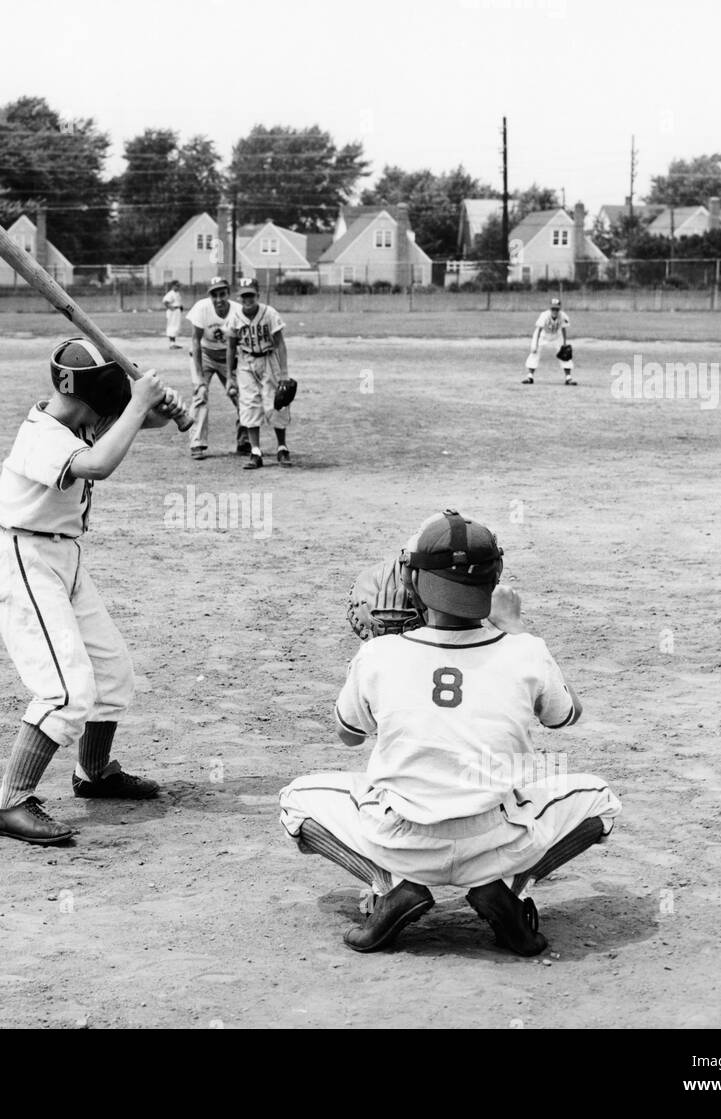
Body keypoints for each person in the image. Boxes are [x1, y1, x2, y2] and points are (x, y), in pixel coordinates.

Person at [279, 509, 620, 954]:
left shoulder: (379, 654)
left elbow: (348, 735)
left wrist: (374, 660)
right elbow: (566, 715)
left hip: (399, 837)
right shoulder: (524, 651)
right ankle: (508, 889)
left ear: (415, 583)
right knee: (602, 800)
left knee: (295, 801)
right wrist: (516, 628)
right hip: (496, 838)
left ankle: (392, 888)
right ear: (495, 582)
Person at [0, 338, 186, 845]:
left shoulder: (75, 421)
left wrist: (159, 409)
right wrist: (140, 403)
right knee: (65, 690)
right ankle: (8, 803)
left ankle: (94, 774)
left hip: (63, 561)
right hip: (25, 560)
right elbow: (98, 464)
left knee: (111, 672)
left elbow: (127, 426)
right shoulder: (41, 435)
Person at [225, 278, 292, 469]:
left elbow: (279, 343)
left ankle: (282, 448)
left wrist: (284, 373)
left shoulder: (269, 313)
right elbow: (230, 347)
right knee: (249, 404)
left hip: (269, 359)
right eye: (244, 295)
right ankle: (255, 451)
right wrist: (229, 376)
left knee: (276, 403)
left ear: (258, 295)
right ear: (239, 297)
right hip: (246, 361)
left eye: (251, 295)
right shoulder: (235, 316)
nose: (248, 299)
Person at [185, 276, 246, 459]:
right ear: (209, 296)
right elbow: (195, 341)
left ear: (228, 293)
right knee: (200, 395)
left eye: (222, 294)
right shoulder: (201, 308)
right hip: (204, 354)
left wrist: (232, 377)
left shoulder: (237, 310)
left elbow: (238, 344)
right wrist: (199, 378)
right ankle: (197, 443)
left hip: (228, 357)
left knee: (241, 396)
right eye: (214, 295)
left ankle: (245, 440)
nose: (218, 299)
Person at [523, 296, 575, 385]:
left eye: (556, 309)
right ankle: (529, 377)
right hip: (542, 336)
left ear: (559, 309)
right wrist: (535, 344)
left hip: (556, 336)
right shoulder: (544, 315)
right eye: (553, 308)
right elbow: (539, 330)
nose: (555, 311)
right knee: (534, 353)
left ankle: (568, 378)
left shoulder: (563, 316)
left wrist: (564, 343)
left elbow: (563, 329)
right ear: (550, 308)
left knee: (564, 353)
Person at [162, 280, 184, 349]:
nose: (178, 287)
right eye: (177, 285)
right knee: (172, 326)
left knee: (176, 327)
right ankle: (171, 344)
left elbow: (178, 302)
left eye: (179, 286)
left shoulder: (177, 293)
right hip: (173, 312)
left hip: (177, 311)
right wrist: (172, 308)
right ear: (173, 286)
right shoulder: (170, 293)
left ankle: (173, 343)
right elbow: (165, 302)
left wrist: (180, 307)